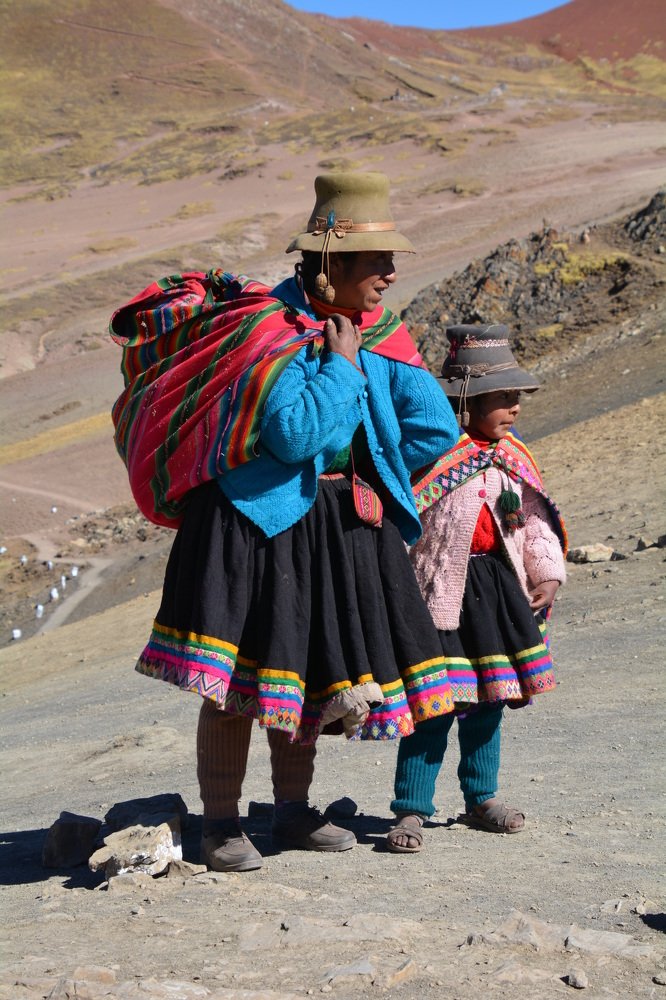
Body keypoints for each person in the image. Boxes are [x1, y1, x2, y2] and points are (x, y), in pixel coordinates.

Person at [110, 171, 460, 872]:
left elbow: (435, 425)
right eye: (375, 262)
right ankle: (220, 826)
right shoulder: (266, 330)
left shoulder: (360, 334)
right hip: (253, 524)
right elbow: (297, 435)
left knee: (301, 675)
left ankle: (294, 813)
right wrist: (338, 366)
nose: (390, 274)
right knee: (237, 683)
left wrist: (375, 410)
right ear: (329, 263)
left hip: (330, 523)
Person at [386, 324, 567, 853]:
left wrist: (548, 572)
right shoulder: (431, 454)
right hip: (439, 595)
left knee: (491, 698)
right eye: (503, 398)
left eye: (516, 398)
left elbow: (535, 522)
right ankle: (412, 810)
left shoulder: (514, 458)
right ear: (466, 402)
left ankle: (481, 798)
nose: (514, 408)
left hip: (497, 592)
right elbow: (403, 522)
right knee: (433, 702)